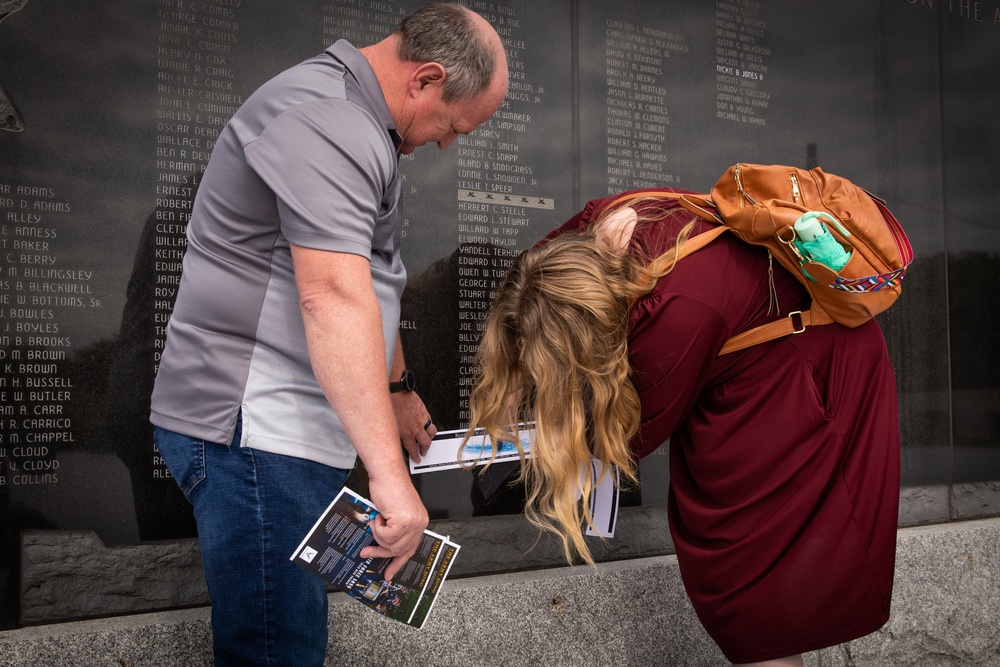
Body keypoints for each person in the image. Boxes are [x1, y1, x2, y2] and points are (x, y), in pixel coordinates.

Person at [149, 4, 508, 665]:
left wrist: (398, 387)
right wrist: (391, 478)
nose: (447, 142)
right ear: (424, 78)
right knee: (276, 650)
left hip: (285, 437)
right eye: (454, 124)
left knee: (293, 640)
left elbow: (374, 280)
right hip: (252, 434)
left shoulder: (364, 128)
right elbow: (332, 297)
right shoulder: (326, 119)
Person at [468, 190, 900, 666]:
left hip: (806, 368)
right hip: (743, 350)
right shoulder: (594, 231)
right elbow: (528, 278)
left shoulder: (673, 316)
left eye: (549, 360)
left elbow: (631, 435)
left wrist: (547, 432)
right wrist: (511, 366)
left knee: (747, 575)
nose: (528, 361)